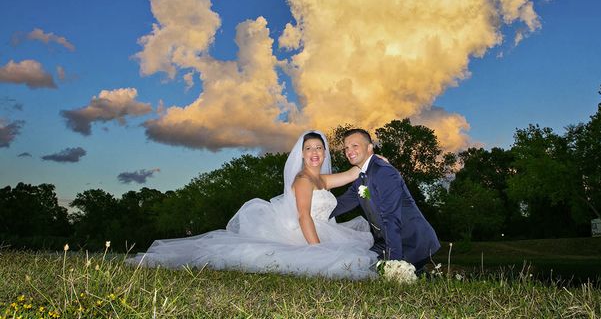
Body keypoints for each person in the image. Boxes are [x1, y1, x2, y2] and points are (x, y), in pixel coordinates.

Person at [127, 131, 378, 279]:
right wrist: (318, 251)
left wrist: (371, 157)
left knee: (352, 256)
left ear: (325, 153)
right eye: (309, 148)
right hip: (304, 233)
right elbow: (304, 218)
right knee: (341, 261)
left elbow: (352, 173)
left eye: (319, 148)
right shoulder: (303, 179)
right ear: (301, 154)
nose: (314, 152)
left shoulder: (320, 178)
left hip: (318, 229)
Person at [331, 128, 440, 272]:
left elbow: (391, 217)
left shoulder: (383, 171)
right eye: (346, 148)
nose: (349, 151)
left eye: (354, 146)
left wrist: (394, 263)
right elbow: (342, 204)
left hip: (412, 241)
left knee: (392, 276)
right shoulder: (361, 178)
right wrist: (314, 214)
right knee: (357, 264)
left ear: (370, 147)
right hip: (386, 241)